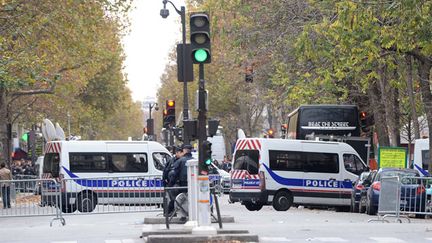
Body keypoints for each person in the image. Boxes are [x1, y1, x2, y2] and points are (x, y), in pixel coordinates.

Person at [162, 146, 184, 216]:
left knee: (175, 199)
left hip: (175, 183)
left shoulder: (178, 160)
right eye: (177, 152)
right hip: (173, 183)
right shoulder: (172, 160)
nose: (177, 154)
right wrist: (165, 182)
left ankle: (170, 212)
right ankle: (169, 212)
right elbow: (166, 171)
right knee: (173, 199)